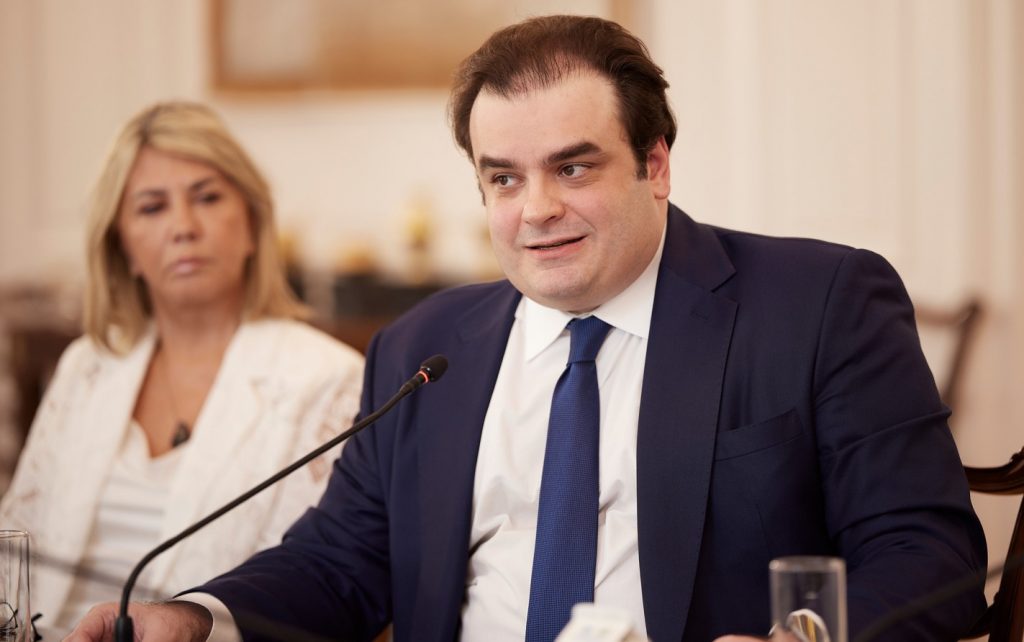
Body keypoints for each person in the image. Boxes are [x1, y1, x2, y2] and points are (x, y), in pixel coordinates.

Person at [67, 16, 987, 642]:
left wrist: (804, 636)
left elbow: (928, 553)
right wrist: (199, 616)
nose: (535, 209)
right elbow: (342, 561)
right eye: (503, 177)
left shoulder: (817, 303)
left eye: (573, 168)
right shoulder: (424, 348)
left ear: (656, 164)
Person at [0, 101, 364, 635]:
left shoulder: (329, 380)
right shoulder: (88, 366)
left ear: (252, 223)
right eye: (152, 207)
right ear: (123, 245)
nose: (184, 227)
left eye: (207, 198)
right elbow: (13, 549)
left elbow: (319, 586)